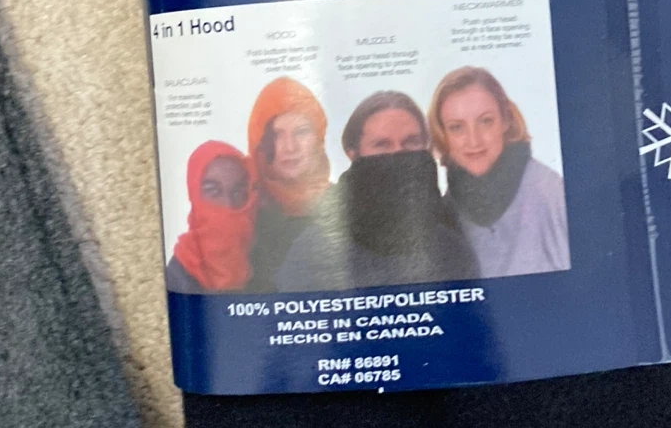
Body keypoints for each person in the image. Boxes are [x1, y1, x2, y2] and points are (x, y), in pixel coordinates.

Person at [278, 91, 478, 291]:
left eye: (411, 142)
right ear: (352, 153)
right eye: (381, 144)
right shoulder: (314, 252)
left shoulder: (452, 248)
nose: (397, 153)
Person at [429, 66, 569, 277]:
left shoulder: (551, 193)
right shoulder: (444, 211)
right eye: (457, 127)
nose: (473, 140)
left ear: (506, 121)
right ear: (442, 133)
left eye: (486, 121)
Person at [246, 76, 333, 291]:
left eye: (301, 132)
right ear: (260, 142)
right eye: (277, 135)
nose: (290, 147)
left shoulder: (345, 204)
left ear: (319, 138)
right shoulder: (240, 213)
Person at [165, 140, 255, 293]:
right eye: (213, 191)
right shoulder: (176, 278)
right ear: (194, 194)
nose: (228, 204)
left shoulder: (262, 260)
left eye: (238, 192)